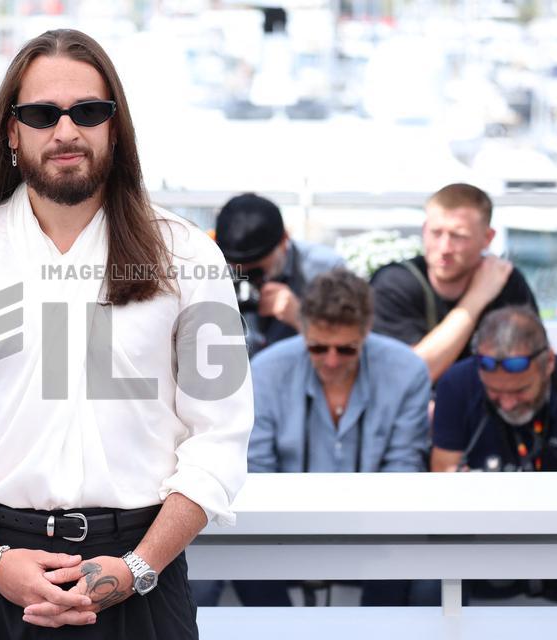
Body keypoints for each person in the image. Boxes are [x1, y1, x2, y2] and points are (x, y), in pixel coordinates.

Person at [0, 29, 252, 640]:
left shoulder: (189, 255)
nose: (66, 131)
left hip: (142, 571)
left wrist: (134, 569)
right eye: (40, 114)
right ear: (11, 131)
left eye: (88, 111)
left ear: (115, 125)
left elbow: (220, 436)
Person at [193, 268, 430, 607]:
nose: (331, 360)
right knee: (235, 561)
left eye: (346, 349)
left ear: (366, 332)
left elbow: (403, 472)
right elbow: (256, 470)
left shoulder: (406, 372)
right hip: (282, 530)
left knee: (413, 570)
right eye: (318, 348)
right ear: (303, 331)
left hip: (379, 533)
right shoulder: (268, 369)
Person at [431, 305, 557, 603]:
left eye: (521, 390)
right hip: (483, 539)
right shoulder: (457, 385)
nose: (507, 404)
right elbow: (442, 478)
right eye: (494, 392)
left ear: (548, 363)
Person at [371, 183, 538, 382]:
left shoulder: (506, 281)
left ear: (487, 238)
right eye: (436, 233)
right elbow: (408, 376)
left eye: (458, 236)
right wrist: (476, 298)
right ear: (424, 230)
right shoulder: (393, 282)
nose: (444, 247)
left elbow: (530, 365)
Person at [213, 192, 343, 356]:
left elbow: (347, 343)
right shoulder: (213, 269)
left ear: (284, 241)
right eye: (238, 268)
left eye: (256, 270)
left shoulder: (326, 270)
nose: (248, 278)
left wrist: (301, 317)